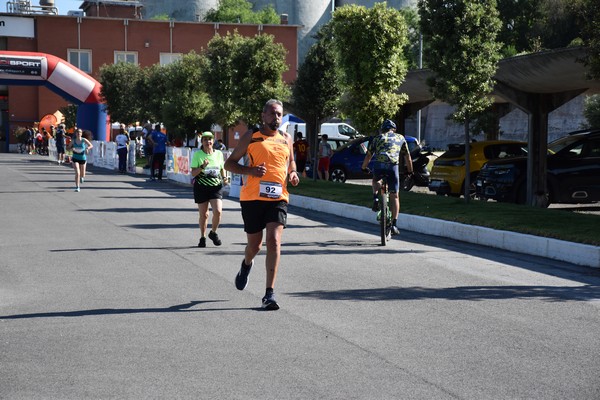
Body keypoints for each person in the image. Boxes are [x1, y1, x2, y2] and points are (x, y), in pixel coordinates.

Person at [224, 99, 300, 311]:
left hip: (278, 198)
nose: (276, 118)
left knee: (274, 241)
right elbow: (229, 163)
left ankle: (269, 294)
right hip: (252, 198)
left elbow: (291, 162)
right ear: (263, 115)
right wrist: (250, 171)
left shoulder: (286, 139)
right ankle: (246, 264)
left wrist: (293, 173)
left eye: (279, 114)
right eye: (273, 114)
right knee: (255, 246)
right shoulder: (251, 136)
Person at [361, 119, 413, 235]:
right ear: (394, 129)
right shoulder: (400, 138)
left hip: (379, 165)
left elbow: (368, 156)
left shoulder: (377, 138)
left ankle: (375, 197)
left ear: (383, 129)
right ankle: (394, 224)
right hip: (393, 167)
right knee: (395, 196)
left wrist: (363, 168)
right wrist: (410, 171)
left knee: (376, 180)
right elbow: (407, 157)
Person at [190, 131, 228, 248]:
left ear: (213, 141)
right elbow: (193, 173)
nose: (208, 142)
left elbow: (222, 168)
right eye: (205, 140)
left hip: (216, 187)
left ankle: (213, 232)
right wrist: (202, 167)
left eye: (210, 139)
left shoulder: (218, 154)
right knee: (204, 215)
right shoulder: (198, 155)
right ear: (202, 142)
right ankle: (203, 237)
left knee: (218, 211)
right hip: (201, 187)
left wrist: (224, 177)